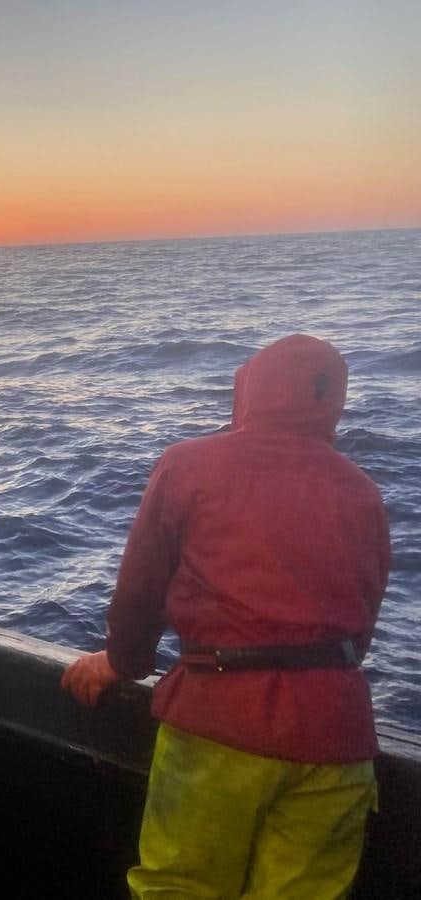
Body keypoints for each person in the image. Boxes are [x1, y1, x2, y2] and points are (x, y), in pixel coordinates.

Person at [61, 334, 390, 898]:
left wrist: (122, 662)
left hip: (218, 725)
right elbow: (360, 627)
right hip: (339, 736)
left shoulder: (191, 465)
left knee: (180, 888)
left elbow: (141, 587)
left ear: (250, 391)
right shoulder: (363, 492)